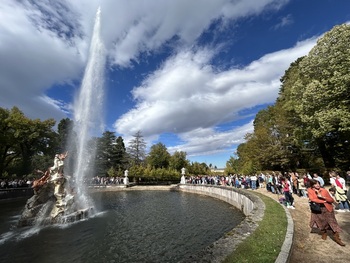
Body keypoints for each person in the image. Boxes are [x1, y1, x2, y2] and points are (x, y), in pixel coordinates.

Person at [307, 179, 345, 246]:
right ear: (312, 185)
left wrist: (323, 197)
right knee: (321, 222)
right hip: (317, 209)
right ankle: (324, 233)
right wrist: (322, 201)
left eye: (318, 183)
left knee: (333, 223)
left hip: (327, 208)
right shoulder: (310, 190)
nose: (317, 185)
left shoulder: (323, 190)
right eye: (315, 184)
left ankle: (337, 238)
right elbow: (312, 199)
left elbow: (331, 200)